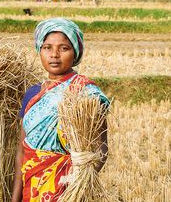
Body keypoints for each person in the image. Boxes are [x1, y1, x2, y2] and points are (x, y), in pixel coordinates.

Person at [11, 18, 110, 202]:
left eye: (64, 48)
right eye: (47, 47)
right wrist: (15, 198)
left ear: (75, 53)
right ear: (39, 50)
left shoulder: (86, 94)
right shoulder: (32, 94)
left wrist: (76, 182)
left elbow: (101, 148)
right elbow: (22, 151)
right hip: (31, 189)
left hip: (70, 189)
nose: (54, 54)